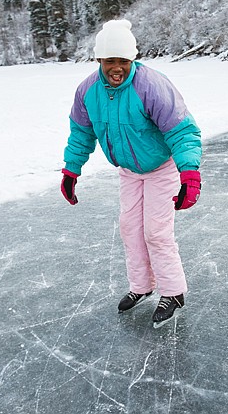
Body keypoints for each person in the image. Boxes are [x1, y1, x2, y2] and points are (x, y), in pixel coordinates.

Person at [61, 19, 202, 327]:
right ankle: (141, 286)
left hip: (160, 167)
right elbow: (81, 134)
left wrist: (189, 173)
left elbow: (182, 131)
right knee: (129, 228)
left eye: (123, 61)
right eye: (110, 60)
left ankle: (174, 292)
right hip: (128, 171)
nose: (117, 68)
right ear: (99, 60)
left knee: (156, 231)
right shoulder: (88, 92)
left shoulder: (151, 86)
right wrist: (71, 170)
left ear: (132, 59)